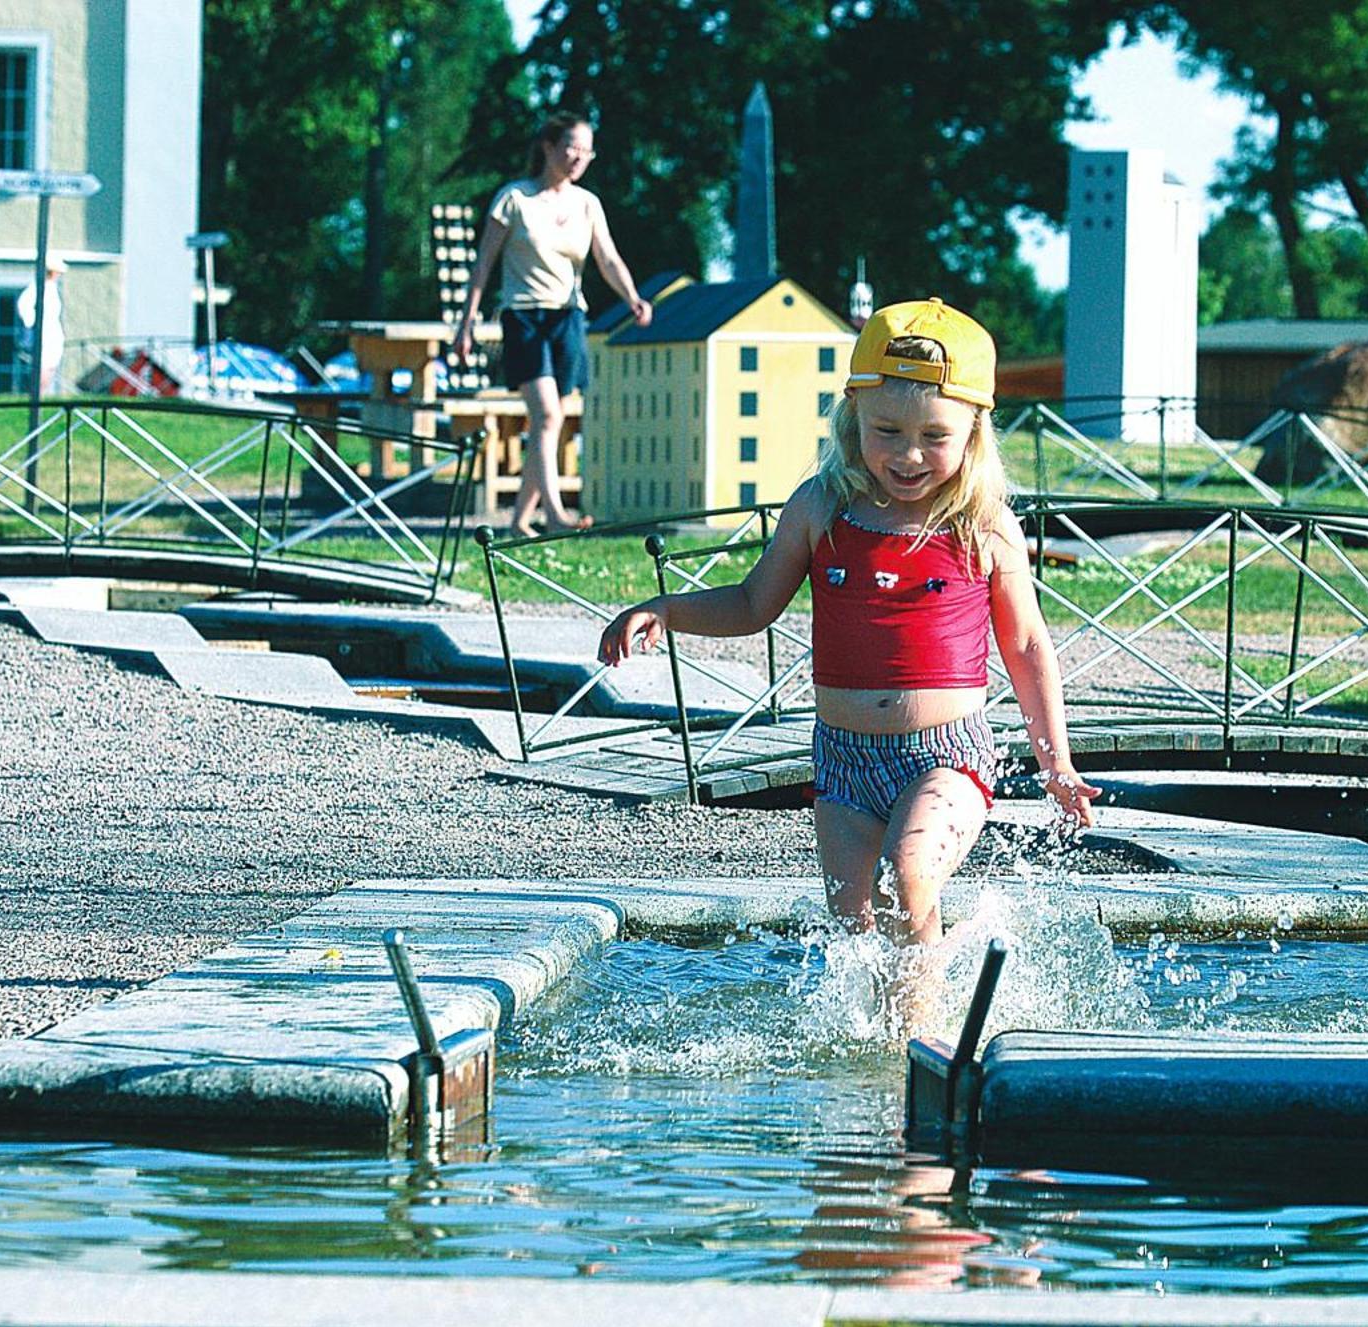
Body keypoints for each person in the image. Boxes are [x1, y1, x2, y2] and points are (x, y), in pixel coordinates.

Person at [598, 298, 1099, 948]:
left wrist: (1054, 761)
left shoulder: (983, 522)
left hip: (946, 754)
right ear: (852, 412)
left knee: (906, 879)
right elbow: (753, 604)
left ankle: (922, 1040)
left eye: (934, 437)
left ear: (974, 431)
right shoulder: (821, 508)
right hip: (843, 761)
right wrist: (667, 609)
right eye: (887, 430)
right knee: (855, 936)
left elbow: (1027, 645)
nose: (909, 454)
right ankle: (879, 1044)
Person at [453, 112, 653, 537]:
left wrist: (632, 297)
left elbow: (608, 258)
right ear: (548, 147)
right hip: (524, 315)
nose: (580, 157)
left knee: (553, 420)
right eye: (572, 147)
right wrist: (465, 325)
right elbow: (483, 265)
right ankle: (557, 512)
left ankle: (519, 521)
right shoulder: (514, 199)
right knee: (546, 415)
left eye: (587, 150)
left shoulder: (588, 204)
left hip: (569, 317)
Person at [16, 256, 66, 393]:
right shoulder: (38, 286)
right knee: (43, 362)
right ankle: (38, 393)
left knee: (52, 361)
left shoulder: (52, 287)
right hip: (44, 330)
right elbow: (24, 304)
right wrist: (32, 322)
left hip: (53, 329)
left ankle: (43, 391)